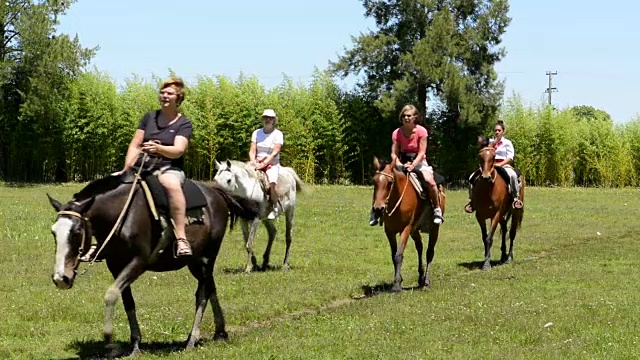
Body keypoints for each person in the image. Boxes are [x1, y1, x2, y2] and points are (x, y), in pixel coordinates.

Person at [80, 76, 193, 261]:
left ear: (178, 98)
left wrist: (159, 148)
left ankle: (181, 238)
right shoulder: (149, 117)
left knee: (171, 185)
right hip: (143, 166)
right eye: (162, 92)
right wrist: (126, 168)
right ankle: (101, 243)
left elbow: (178, 151)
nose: (164, 95)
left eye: (170, 93)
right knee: (108, 188)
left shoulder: (183, 123)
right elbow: (135, 144)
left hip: (169, 167)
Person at [369, 104, 444, 225]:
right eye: (404, 116)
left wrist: (413, 165)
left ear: (415, 117)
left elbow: (421, 152)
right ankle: (375, 211)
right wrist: (400, 164)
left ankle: (436, 209)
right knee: (381, 179)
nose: (406, 118)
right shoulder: (396, 133)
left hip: (419, 162)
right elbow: (394, 154)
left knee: (430, 181)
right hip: (401, 161)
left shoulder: (421, 131)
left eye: (409, 115)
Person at [464, 120, 523, 213]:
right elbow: (481, 144)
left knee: (513, 176)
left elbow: (510, 158)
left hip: (504, 165)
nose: (497, 132)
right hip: (489, 166)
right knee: (472, 177)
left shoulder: (507, 143)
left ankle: (516, 198)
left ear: (503, 131)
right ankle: (472, 201)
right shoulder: (490, 142)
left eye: (499, 130)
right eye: (495, 130)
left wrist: (500, 164)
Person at [249, 109, 284, 220]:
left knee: (272, 183)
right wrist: (253, 161)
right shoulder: (256, 133)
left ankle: (274, 207)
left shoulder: (278, 134)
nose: (267, 120)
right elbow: (252, 150)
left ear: (274, 120)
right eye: (265, 118)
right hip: (257, 162)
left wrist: (263, 164)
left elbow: (275, 152)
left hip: (271, 163)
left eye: (270, 118)